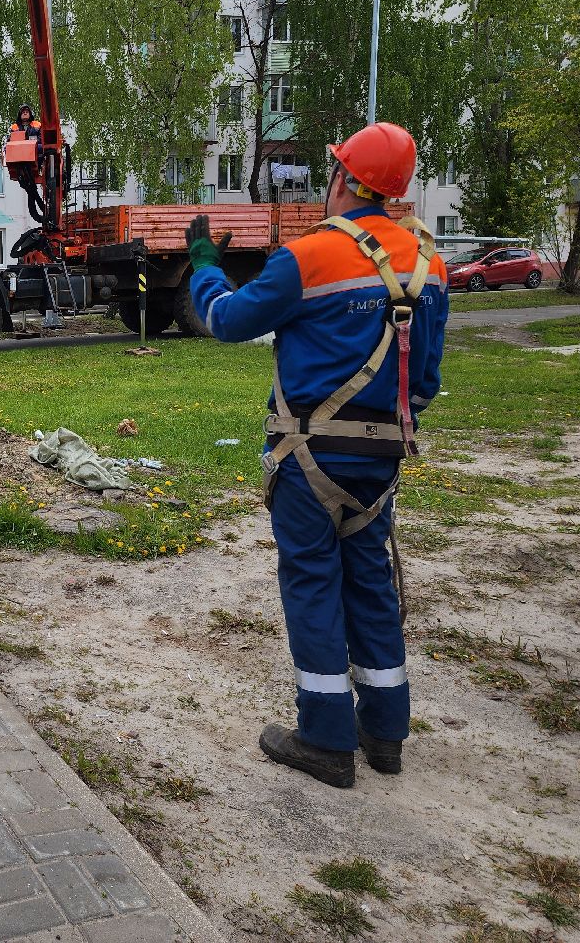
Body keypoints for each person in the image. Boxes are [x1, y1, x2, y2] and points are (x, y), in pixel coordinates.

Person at [188, 122, 449, 789]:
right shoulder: (429, 264)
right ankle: (386, 734)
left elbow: (226, 321)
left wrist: (204, 269)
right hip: (381, 462)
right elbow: (425, 381)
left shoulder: (311, 256)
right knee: (369, 585)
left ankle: (326, 739)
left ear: (342, 179)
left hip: (309, 460)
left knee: (311, 584)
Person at [7, 102, 46, 224]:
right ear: (20, 114)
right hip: (19, 158)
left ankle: (44, 212)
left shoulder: (37, 125)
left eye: (27, 111)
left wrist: (30, 144)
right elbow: (10, 140)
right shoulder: (14, 127)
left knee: (41, 147)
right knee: (8, 148)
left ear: (30, 114)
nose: (25, 113)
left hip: (33, 154)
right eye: (23, 111)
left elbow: (41, 139)